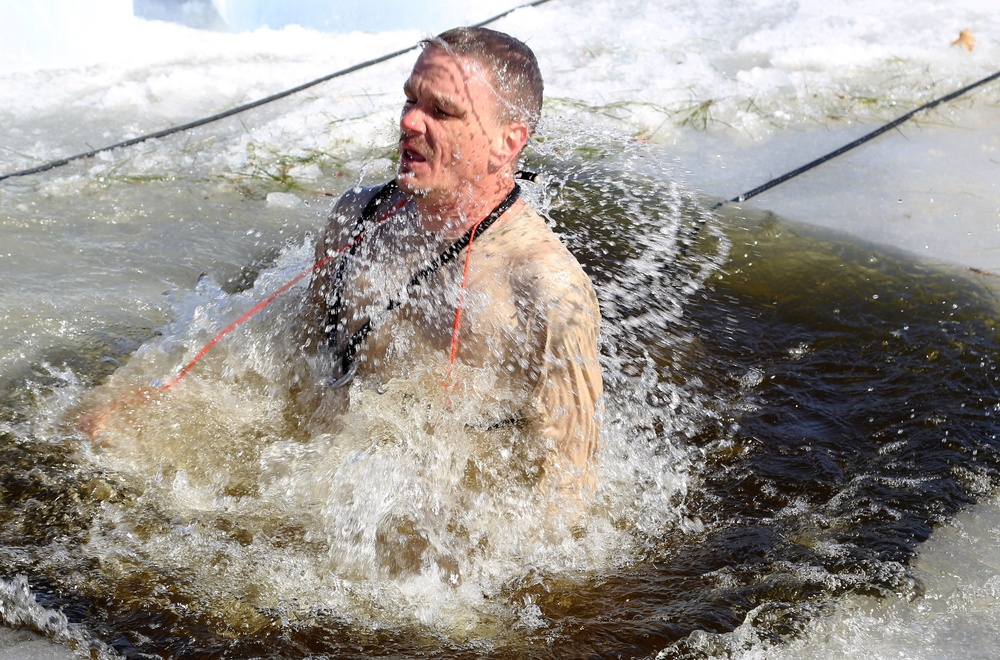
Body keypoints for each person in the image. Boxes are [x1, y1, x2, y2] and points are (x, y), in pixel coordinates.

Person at [304, 27, 603, 498]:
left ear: (508, 143)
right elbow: (299, 368)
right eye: (410, 100)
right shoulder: (355, 217)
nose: (410, 123)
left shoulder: (546, 286)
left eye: (441, 111)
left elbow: (569, 486)